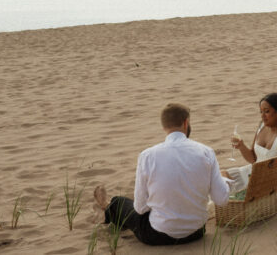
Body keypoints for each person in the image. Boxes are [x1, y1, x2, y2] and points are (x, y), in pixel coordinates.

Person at [93, 103, 229, 246]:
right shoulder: (206, 152)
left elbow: (140, 208)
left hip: (156, 235)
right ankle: (110, 209)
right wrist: (223, 179)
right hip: (196, 233)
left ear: (164, 127)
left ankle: (108, 206)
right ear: (186, 123)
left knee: (120, 202)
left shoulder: (147, 156)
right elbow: (221, 199)